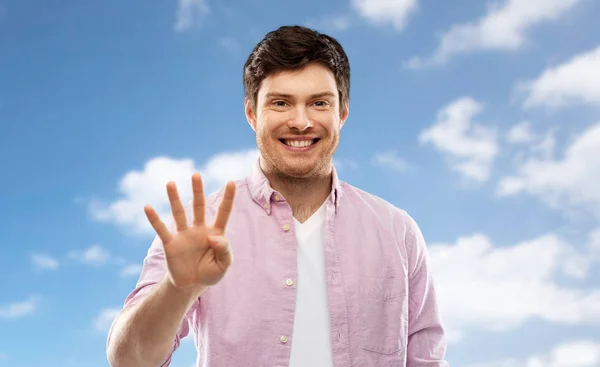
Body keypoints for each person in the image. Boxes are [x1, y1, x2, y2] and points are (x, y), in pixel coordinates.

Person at [106, 25, 449, 367]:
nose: (300, 122)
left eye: (318, 103)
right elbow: (128, 361)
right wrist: (178, 288)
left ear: (342, 113)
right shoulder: (201, 228)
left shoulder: (398, 232)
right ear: (252, 114)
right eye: (281, 102)